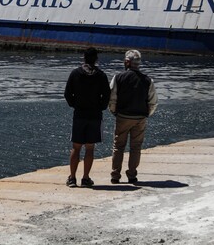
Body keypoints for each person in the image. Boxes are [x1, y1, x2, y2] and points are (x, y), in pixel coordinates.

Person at [108, 49, 158, 185]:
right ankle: (132, 175)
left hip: (123, 116)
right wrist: (147, 113)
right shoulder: (148, 80)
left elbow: (112, 97)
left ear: (127, 62)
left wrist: (114, 112)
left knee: (118, 146)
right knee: (136, 147)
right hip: (140, 118)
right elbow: (153, 101)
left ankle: (115, 175)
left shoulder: (118, 77)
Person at [64, 47, 111, 188]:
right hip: (95, 115)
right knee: (90, 148)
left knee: (76, 147)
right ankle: (85, 178)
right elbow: (107, 95)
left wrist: (75, 105)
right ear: (96, 59)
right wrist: (101, 107)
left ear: (83, 57)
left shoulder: (75, 74)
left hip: (79, 114)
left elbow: (67, 94)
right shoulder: (101, 75)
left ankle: (72, 178)